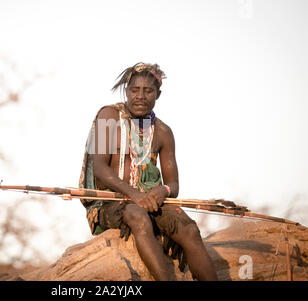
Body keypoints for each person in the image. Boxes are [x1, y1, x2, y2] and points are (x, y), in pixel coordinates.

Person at [79, 62, 218, 281]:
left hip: (151, 200)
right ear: (127, 91)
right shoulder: (108, 117)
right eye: (135, 90)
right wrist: (134, 194)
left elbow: (174, 184)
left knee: (190, 230)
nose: (141, 96)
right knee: (138, 216)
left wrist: (162, 191)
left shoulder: (163, 132)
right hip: (111, 201)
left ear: (158, 94)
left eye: (148, 91)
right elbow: (99, 167)